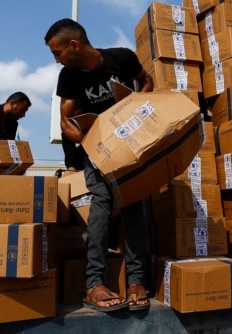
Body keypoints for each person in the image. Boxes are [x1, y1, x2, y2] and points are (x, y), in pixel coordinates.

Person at [44, 18, 153, 313]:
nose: (56, 61)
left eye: (57, 53)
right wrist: (83, 138)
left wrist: (137, 107)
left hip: (129, 148)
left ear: (74, 45)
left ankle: (136, 281)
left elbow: (147, 80)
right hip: (95, 151)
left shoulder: (122, 58)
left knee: (134, 205)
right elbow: (65, 120)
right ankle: (94, 284)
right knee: (101, 205)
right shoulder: (69, 76)